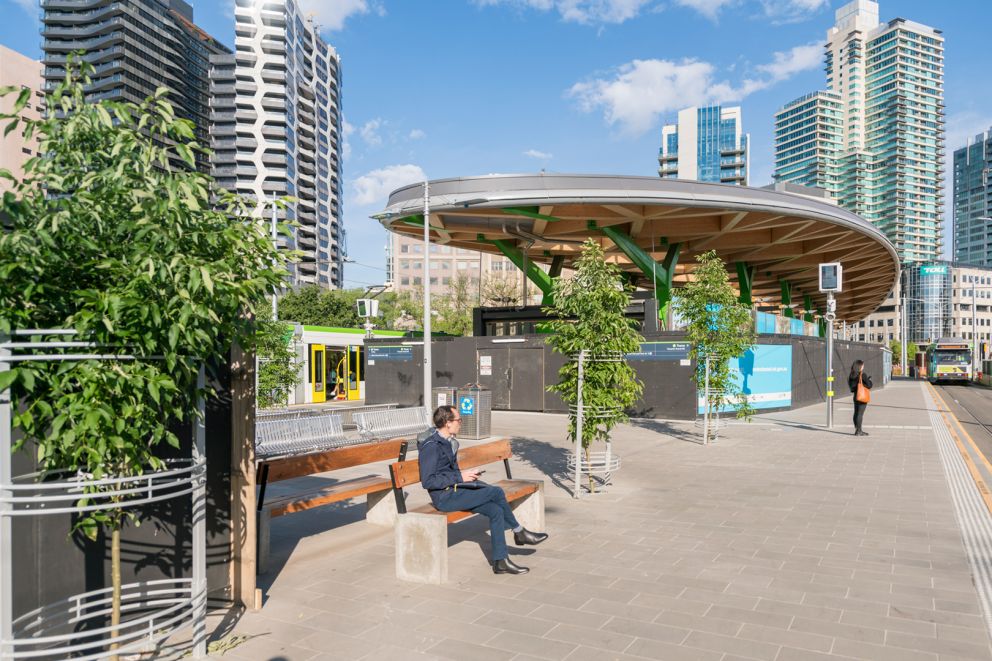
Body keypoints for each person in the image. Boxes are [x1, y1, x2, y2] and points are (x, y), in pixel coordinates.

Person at [418, 405, 548, 575]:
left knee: (495, 511)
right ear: (447, 423)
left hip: (456, 490)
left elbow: (451, 472)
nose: (461, 423)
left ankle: (500, 562)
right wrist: (460, 477)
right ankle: (519, 532)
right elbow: (428, 481)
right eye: (458, 420)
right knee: (496, 492)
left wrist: (467, 475)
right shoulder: (431, 446)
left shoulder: (449, 442)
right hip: (444, 497)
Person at [848, 359, 873, 436]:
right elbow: (869, 385)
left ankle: (857, 429)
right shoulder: (862, 375)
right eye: (862, 365)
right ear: (860, 366)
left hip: (856, 396)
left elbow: (852, 388)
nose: (863, 367)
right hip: (862, 396)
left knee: (856, 413)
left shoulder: (851, 375)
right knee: (860, 414)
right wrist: (869, 380)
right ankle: (859, 431)